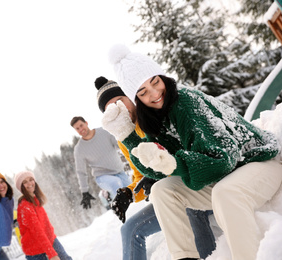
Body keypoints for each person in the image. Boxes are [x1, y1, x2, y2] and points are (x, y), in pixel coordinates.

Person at [102, 44, 282, 260]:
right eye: (143, 92)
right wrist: (128, 136)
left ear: (162, 76)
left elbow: (222, 160)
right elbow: (156, 171)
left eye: (155, 82)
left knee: (225, 193)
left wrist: (175, 164)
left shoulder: (186, 102)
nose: (155, 93)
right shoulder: (154, 119)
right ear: (137, 98)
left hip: (259, 163)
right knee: (162, 191)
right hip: (226, 176)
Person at [95, 76, 216, 260]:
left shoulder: (153, 113)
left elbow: (182, 152)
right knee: (130, 229)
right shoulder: (123, 139)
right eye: (110, 108)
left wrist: (159, 175)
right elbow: (140, 176)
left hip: (195, 184)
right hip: (166, 195)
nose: (118, 109)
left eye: (120, 101)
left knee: (191, 209)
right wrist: (129, 194)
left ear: (130, 96)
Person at [70, 116, 132, 209]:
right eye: (77, 128)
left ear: (86, 123)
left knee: (131, 193)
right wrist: (85, 191)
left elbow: (120, 145)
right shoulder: (79, 149)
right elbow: (81, 172)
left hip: (120, 171)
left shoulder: (104, 132)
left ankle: (110, 198)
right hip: (102, 177)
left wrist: (134, 153)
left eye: (81, 125)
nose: (80, 129)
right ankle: (122, 210)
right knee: (116, 183)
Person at [15, 170, 72, 260]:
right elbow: (37, 231)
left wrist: (53, 242)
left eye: (31, 179)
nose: (29, 183)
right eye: (25, 182)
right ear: (21, 187)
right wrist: (52, 254)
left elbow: (46, 225)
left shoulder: (35, 200)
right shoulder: (24, 206)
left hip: (48, 240)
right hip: (35, 250)